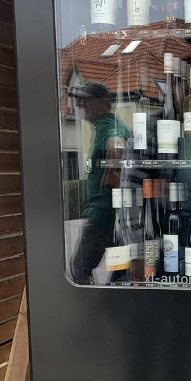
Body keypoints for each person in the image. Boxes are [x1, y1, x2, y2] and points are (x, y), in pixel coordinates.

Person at [68, 81, 129, 284]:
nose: (81, 106)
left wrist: (115, 151)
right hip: (111, 213)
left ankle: (91, 311)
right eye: (80, 101)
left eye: (87, 101)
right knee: (119, 271)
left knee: (80, 267)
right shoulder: (102, 126)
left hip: (102, 214)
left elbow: (115, 139)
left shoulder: (107, 124)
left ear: (103, 104)